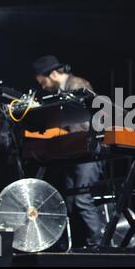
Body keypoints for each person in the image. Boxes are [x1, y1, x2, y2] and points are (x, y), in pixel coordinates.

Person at [32, 55, 105, 248]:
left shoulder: (78, 85)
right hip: (75, 151)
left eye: (43, 82)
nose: (43, 87)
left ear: (54, 74)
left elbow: (82, 123)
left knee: (82, 197)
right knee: (71, 199)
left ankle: (98, 243)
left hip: (87, 150)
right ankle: (74, 243)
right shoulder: (63, 90)